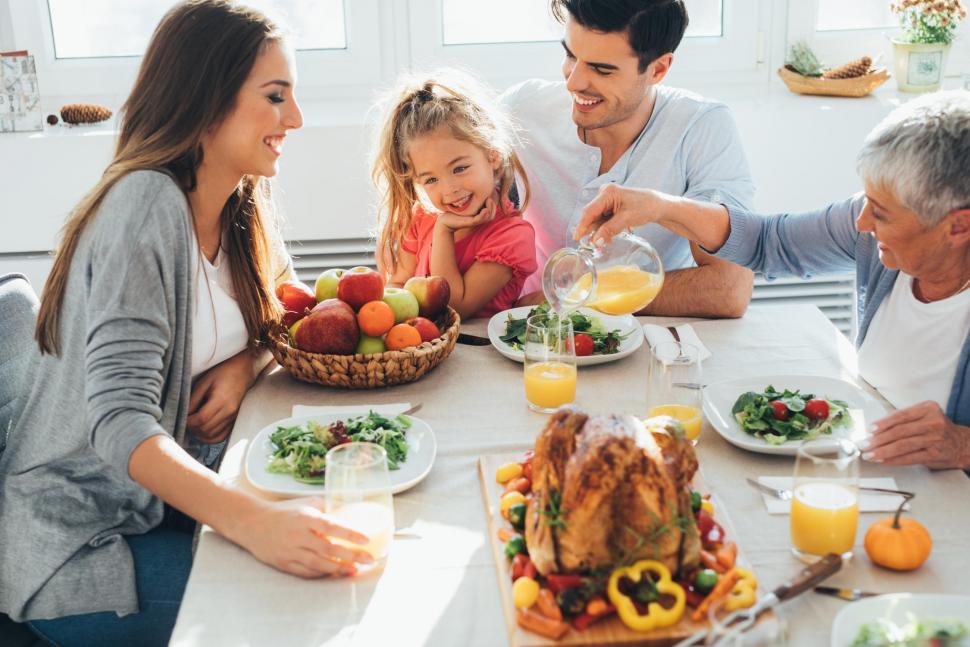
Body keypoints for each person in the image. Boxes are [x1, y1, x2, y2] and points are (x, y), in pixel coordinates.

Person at [0, 3, 371, 645]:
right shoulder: (145, 206)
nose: (297, 118)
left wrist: (243, 364)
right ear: (207, 97)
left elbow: (279, 317)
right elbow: (120, 421)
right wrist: (252, 522)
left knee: (355, 544)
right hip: (82, 542)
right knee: (303, 611)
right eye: (276, 95)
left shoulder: (235, 203)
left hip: (162, 510)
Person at [575, 90, 970, 470]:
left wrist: (961, 446)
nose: (862, 223)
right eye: (864, 201)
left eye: (881, 214)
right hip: (869, 465)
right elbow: (768, 242)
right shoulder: (869, 231)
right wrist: (659, 206)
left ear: (958, 226)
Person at [501, 0, 756, 318]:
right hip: (527, 330)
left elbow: (729, 288)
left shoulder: (701, 126)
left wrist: (564, 298)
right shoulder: (522, 108)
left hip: (648, 337)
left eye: (601, 69)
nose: (573, 81)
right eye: (570, 55)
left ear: (658, 69)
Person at [373, 72, 538, 319]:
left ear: (491, 155)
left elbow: (454, 307)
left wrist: (444, 231)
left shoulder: (512, 236)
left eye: (459, 168)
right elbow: (397, 284)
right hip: (420, 347)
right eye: (431, 179)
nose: (449, 189)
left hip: (478, 352)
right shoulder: (421, 218)